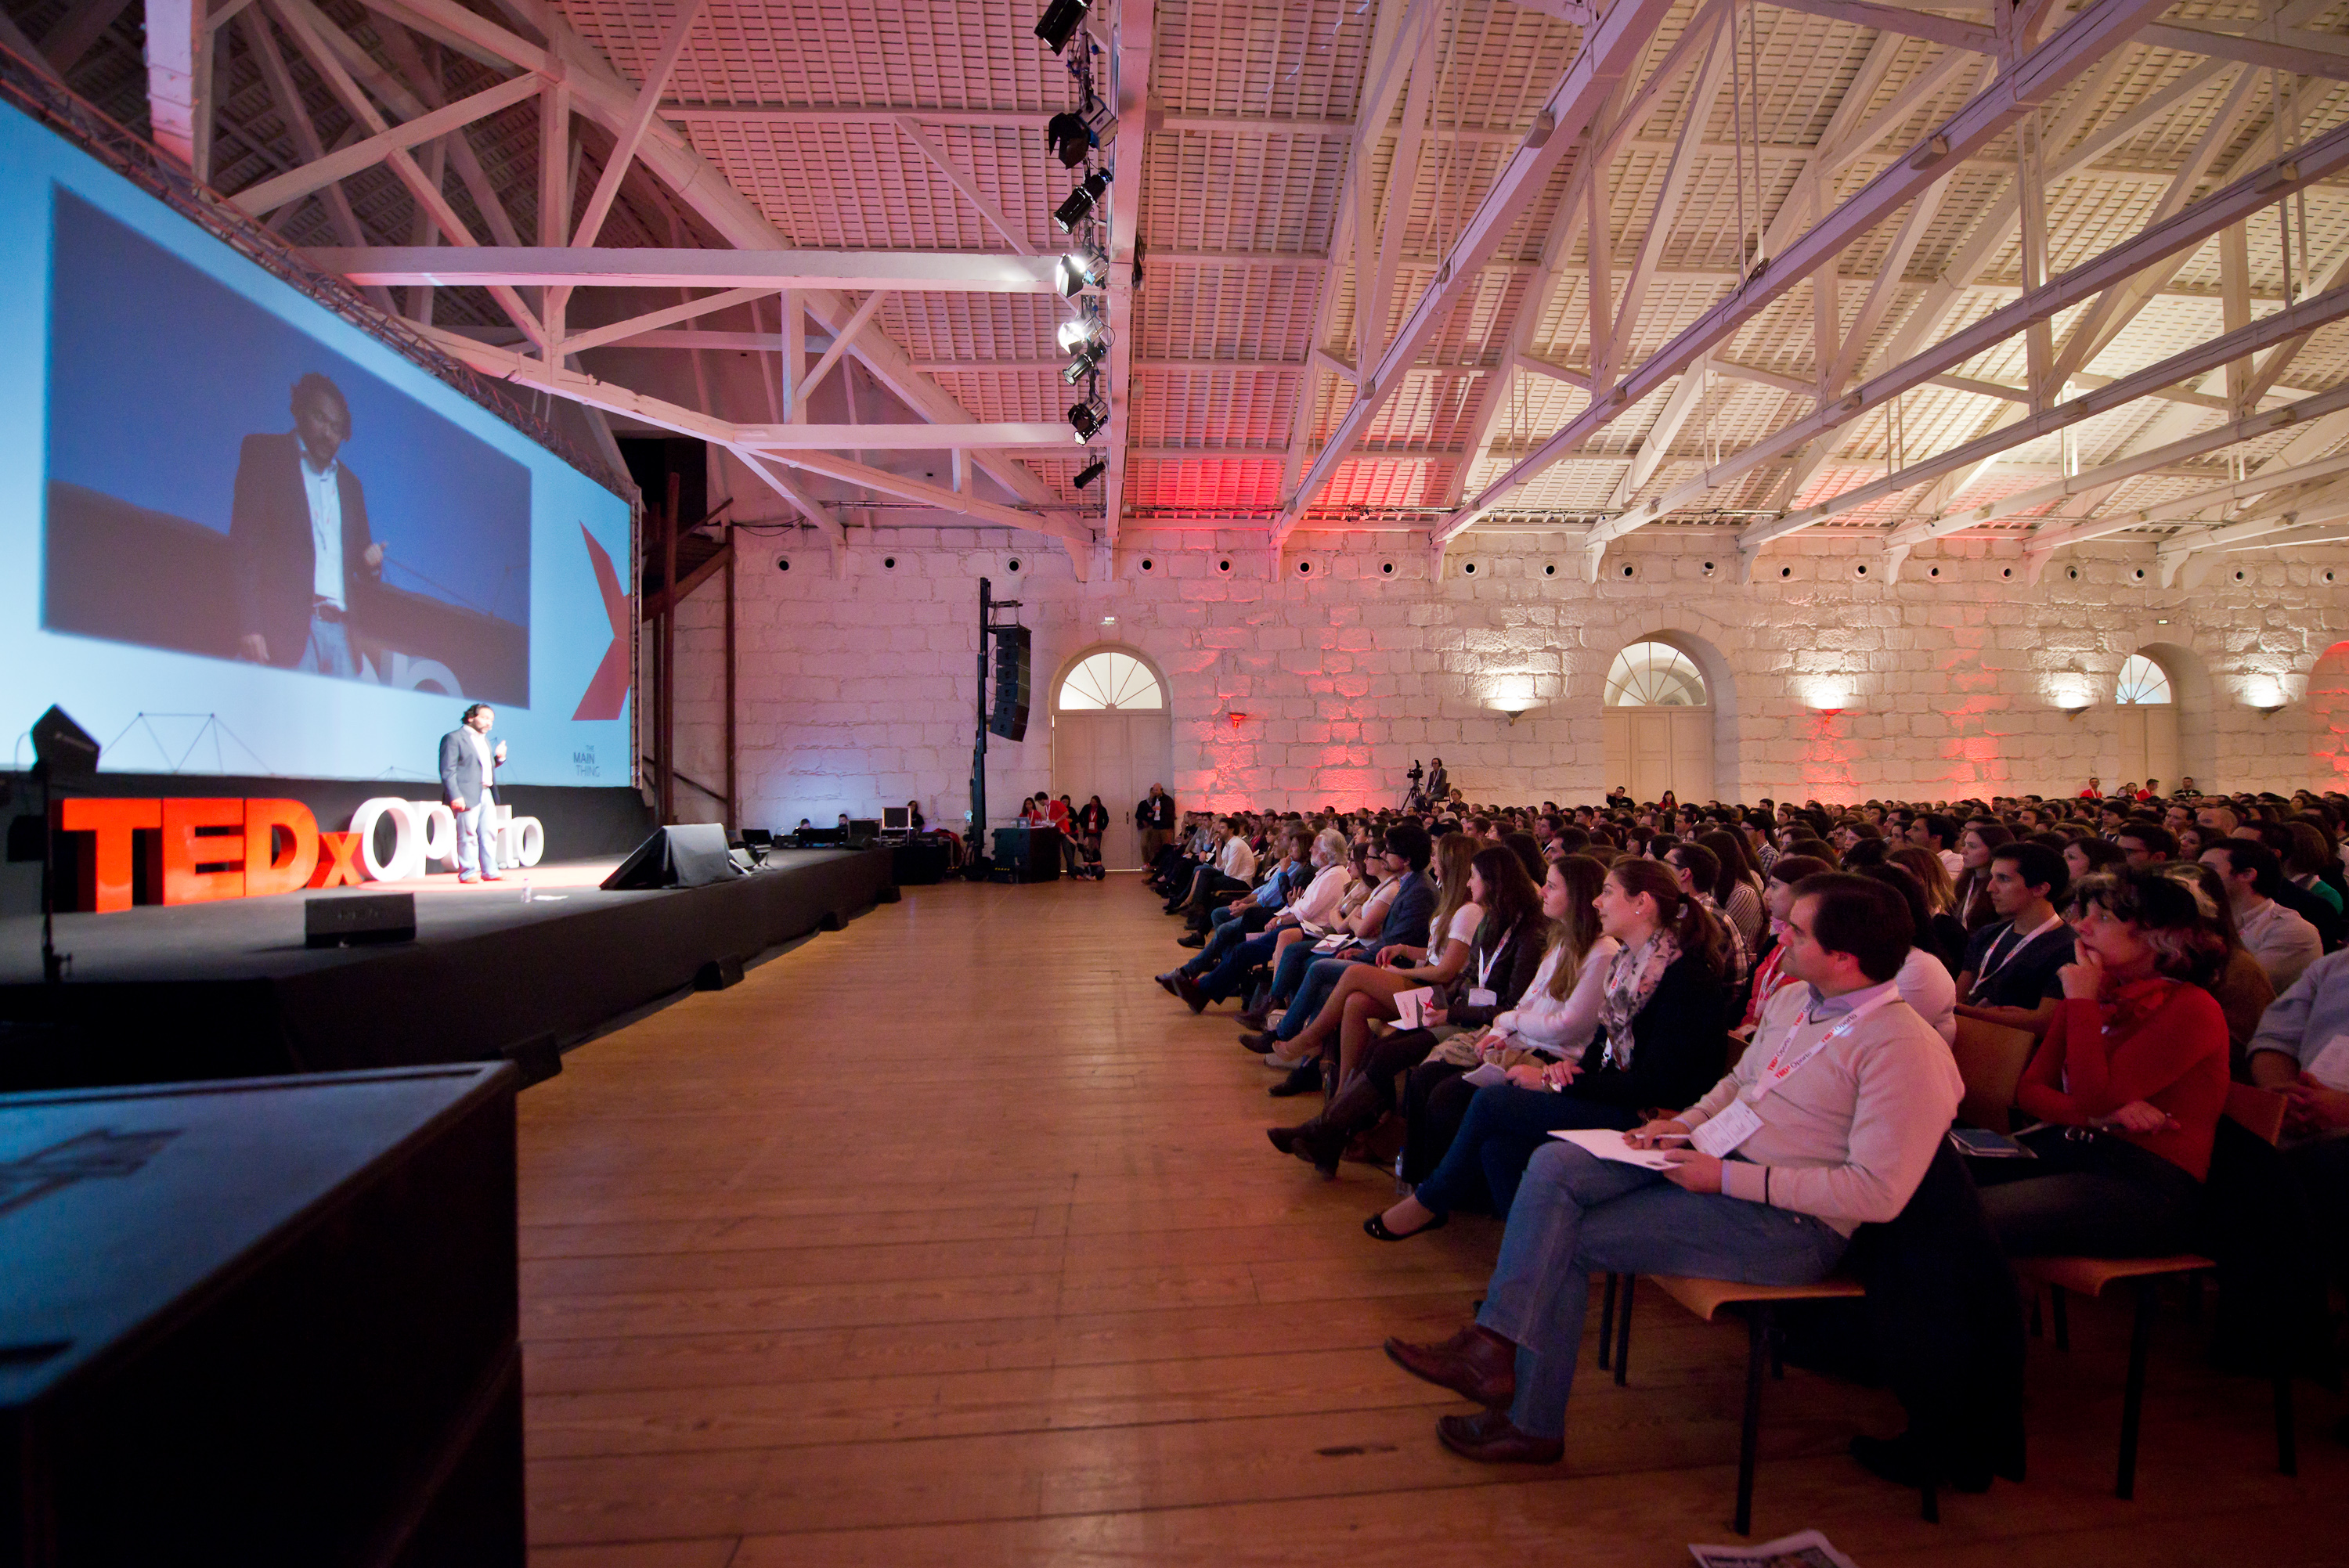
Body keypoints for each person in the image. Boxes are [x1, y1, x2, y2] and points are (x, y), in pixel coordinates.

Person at [1380, 874, 1959, 1465]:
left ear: (1844, 956)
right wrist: (1683, 1124)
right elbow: (1739, 1084)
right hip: (1713, 1158)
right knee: (1554, 1162)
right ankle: (1497, 1352)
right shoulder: (1794, 1003)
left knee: (1562, 1236)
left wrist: (1724, 1177)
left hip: (1790, 1225)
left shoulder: (1902, 1048)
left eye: (1798, 931)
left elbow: (1875, 1192)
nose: (1779, 935)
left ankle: (1526, 1409)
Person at [1969, 871, 2230, 1258]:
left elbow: (2094, 1095)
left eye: (2104, 917)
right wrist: (2097, 1118)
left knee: (1961, 1221)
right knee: (1924, 1183)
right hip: (2073, 1148)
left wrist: (2082, 1003)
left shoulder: (2193, 1008)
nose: (2081, 926)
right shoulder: (2096, 989)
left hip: (2144, 1183)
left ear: (2160, 936)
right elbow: (2030, 1092)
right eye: (2085, 913)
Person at [232, 372, 384, 676]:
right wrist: (249, 624)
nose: (328, 433)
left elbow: (361, 563)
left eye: (336, 427)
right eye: (319, 418)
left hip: (342, 636)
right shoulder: (265, 454)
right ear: (299, 410)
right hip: (285, 630)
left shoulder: (351, 486)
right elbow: (244, 545)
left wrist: (371, 564)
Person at [1953, 842, 2074, 1036]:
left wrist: (1965, 1011)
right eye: (1992, 877)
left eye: (2003, 879)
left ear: (2040, 889)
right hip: (1967, 1034)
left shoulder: (2067, 947)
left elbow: (2044, 1022)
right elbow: (1958, 995)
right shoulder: (1988, 934)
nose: (1990, 888)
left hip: (2015, 1048)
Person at [2202, 839, 2324, 993]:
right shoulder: (2209, 919)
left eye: (2208, 869)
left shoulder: (2291, 930)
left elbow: (2240, 988)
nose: (2197, 878)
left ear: (2247, 875)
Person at [438, 703, 506, 882]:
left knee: (489, 833)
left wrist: (499, 759)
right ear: (471, 718)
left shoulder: (484, 741)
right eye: (485, 718)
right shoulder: (454, 738)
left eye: (491, 720)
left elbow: (480, 768)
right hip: (465, 793)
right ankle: (468, 872)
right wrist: (455, 795)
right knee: (467, 834)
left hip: (486, 792)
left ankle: (490, 871)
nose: (489, 723)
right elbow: (448, 770)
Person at [1137, 785, 1176, 867]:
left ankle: (1166, 866)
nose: (1155, 792)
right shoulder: (1153, 800)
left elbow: (1170, 813)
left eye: (1156, 790)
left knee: (1166, 846)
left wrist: (1161, 810)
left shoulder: (1167, 800)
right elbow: (1140, 814)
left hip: (1165, 827)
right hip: (1156, 826)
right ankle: (1155, 865)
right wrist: (1150, 814)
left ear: (1161, 790)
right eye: (1153, 791)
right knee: (1155, 847)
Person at [1075, 795, 1109, 872]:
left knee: (1096, 849)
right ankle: (1087, 868)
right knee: (1086, 849)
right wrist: (1083, 825)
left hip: (1097, 832)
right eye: (1091, 801)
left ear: (1097, 802)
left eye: (1094, 802)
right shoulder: (1086, 808)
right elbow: (1080, 816)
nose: (1092, 803)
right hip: (1088, 832)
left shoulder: (1102, 809)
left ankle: (1097, 867)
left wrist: (1102, 828)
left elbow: (1106, 819)